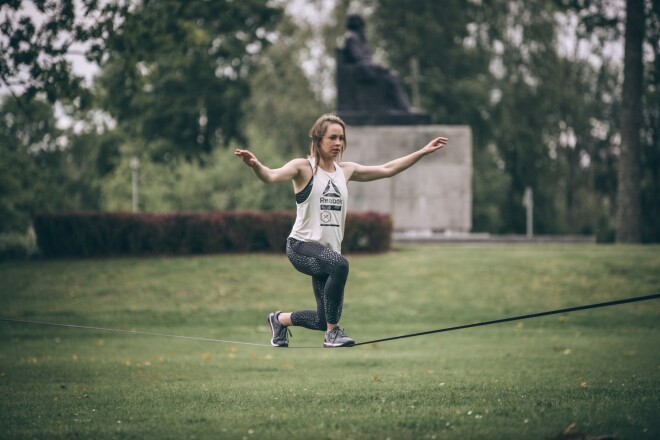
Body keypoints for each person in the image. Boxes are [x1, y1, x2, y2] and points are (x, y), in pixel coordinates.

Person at [234, 114, 447, 348]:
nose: (338, 143)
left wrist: (422, 152)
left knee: (322, 319)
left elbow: (388, 168)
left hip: (326, 254)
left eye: (341, 138)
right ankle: (333, 334)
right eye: (332, 138)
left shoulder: (345, 171)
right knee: (340, 265)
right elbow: (271, 176)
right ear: (318, 139)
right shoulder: (303, 168)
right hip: (300, 247)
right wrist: (256, 166)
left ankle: (279, 320)